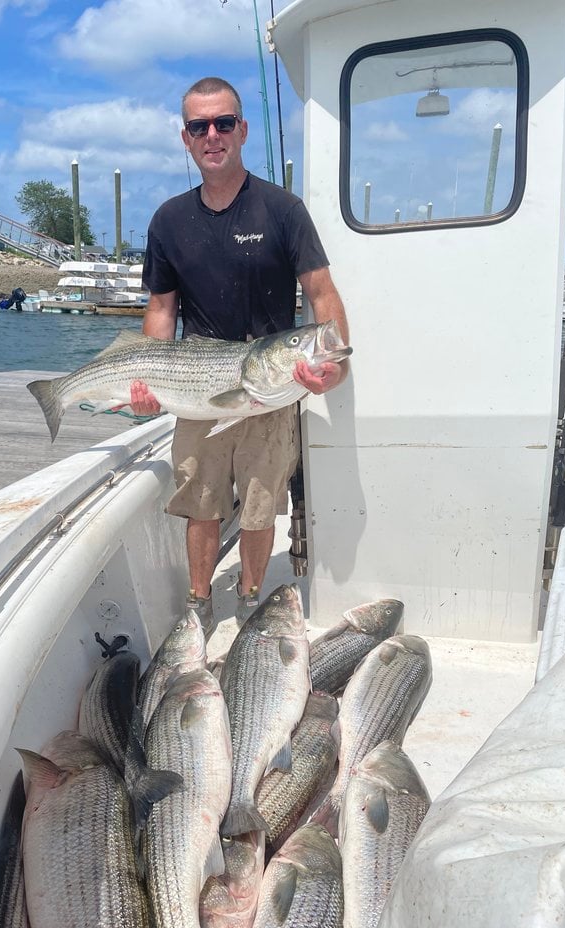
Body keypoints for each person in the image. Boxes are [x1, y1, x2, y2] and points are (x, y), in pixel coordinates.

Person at [130, 76, 349, 632]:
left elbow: (322, 297)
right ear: (185, 138)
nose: (213, 135)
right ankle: (199, 604)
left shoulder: (282, 209)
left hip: (270, 386)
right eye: (200, 126)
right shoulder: (168, 220)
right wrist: (146, 377)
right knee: (199, 501)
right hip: (198, 387)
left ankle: (251, 599)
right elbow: (161, 308)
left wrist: (335, 366)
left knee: (259, 505)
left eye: (223, 123)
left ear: (242, 130)